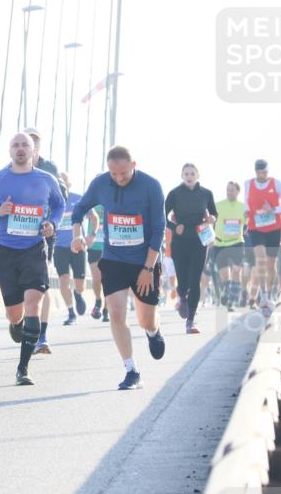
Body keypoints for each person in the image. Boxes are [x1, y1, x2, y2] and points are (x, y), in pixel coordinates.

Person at [70, 146, 166, 390]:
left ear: (134, 165)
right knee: (116, 313)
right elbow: (80, 209)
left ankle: (153, 332)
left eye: (123, 173)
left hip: (145, 260)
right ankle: (131, 370)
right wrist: (77, 235)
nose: (119, 178)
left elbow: (158, 228)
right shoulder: (101, 184)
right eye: (113, 173)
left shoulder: (151, 186)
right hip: (113, 259)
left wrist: (148, 267)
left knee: (146, 319)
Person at [0, 132, 64, 385]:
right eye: (16, 145)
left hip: (34, 248)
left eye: (26, 145)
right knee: (15, 313)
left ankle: (23, 369)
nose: (21, 149)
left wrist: (51, 225)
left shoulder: (47, 179)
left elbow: (58, 206)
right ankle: (17, 322)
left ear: (34, 150)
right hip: (5, 250)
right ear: (9, 151)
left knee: (33, 302)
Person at [22, 127, 66, 354]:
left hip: (44, 232)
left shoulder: (50, 168)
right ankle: (24, 323)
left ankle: (43, 336)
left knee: (42, 283)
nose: (30, 145)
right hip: (17, 235)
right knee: (22, 288)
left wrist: (50, 218)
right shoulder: (12, 168)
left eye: (35, 141)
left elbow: (62, 198)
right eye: (27, 141)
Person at [165, 163, 217, 334]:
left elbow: (214, 213)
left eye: (192, 173)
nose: (189, 176)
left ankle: (191, 321)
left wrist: (212, 220)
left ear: (197, 175)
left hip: (199, 241)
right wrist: (173, 226)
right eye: (186, 173)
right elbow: (162, 215)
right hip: (180, 241)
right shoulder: (174, 193)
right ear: (182, 175)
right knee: (183, 281)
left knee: (195, 281)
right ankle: (182, 296)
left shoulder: (206, 193)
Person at [243, 159, 281, 315]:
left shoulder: (277, 183)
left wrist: (273, 210)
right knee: (260, 259)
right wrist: (247, 211)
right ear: (255, 171)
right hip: (256, 227)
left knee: (271, 264)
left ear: (268, 170)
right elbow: (246, 200)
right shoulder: (248, 183)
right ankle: (264, 297)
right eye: (259, 172)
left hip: (274, 227)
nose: (261, 175)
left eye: (264, 172)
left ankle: (269, 291)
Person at [54, 171, 93, 325]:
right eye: (59, 182)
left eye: (64, 182)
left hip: (78, 246)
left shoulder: (79, 199)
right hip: (59, 247)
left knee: (80, 284)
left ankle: (78, 294)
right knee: (63, 280)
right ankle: (71, 313)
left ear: (69, 184)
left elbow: (94, 217)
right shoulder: (52, 202)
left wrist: (92, 235)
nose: (61, 184)